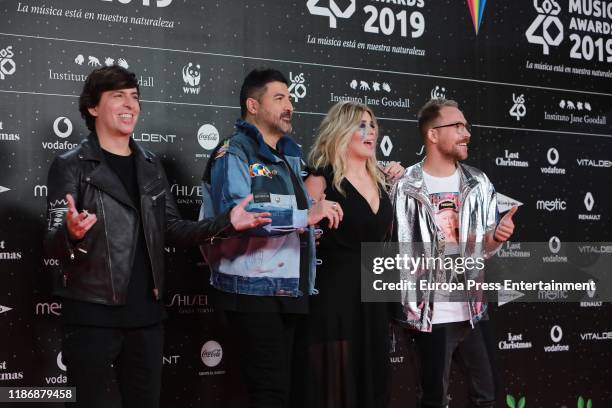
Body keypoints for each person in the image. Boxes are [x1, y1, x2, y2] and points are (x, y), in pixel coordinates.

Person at [43, 65, 269, 408]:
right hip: (91, 317)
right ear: (93, 107)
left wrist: (227, 223)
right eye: (118, 96)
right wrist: (71, 233)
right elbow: (52, 239)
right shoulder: (71, 164)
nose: (130, 104)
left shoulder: (150, 164)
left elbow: (174, 229)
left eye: (134, 97)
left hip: (147, 317)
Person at [199, 68, 341, 408]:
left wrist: (310, 231)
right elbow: (241, 217)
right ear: (252, 105)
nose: (289, 105)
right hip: (251, 293)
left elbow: (290, 220)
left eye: (290, 97)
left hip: (288, 290)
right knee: (269, 393)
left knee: (285, 392)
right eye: (279, 98)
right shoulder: (233, 152)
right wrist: (306, 216)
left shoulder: (290, 155)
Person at [393, 99, 517, 408]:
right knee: (434, 398)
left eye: (466, 126)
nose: (466, 133)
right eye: (457, 126)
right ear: (432, 135)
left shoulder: (479, 182)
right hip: (428, 315)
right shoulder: (404, 185)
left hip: (472, 310)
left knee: (486, 395)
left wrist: (496, 238)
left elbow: (483, 250)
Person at [298, 101, 404, 408]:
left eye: (372, 125)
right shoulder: (321, 177)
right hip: (335, 297)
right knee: (336, 388)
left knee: (374, 385)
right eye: (361, 125)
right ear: (341, 131)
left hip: (374, 300)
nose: (370, 131)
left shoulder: (384, 179)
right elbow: (297, 223)